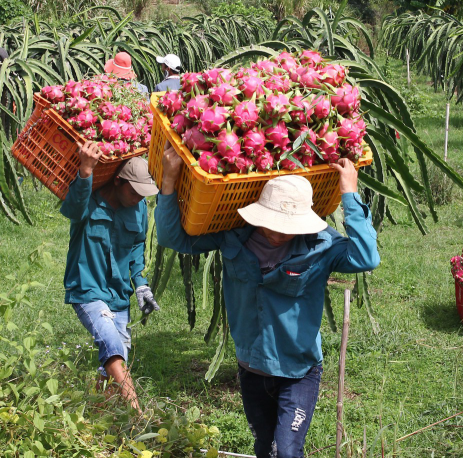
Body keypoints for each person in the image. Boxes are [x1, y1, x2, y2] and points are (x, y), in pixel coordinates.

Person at [155, 143, 379, 458]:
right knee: (264, 448)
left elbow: (366, 257)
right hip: (252, 366)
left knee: (286, 452)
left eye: (286, 227)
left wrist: (350, 194)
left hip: (299, 370)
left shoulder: (322, 245)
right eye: (271, 222)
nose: (276, 233)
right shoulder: (233, 234)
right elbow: (172, 238)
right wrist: (168, 181)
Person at [62, 147, 161, 411]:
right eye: (134, 191)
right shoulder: (89, 199)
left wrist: (140, 282)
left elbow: (138, 245)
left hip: (118, 296)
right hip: (87, 288)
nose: (139, 197)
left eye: (143, 193)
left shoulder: (139, 208)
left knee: (112, 364)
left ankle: (97, 416)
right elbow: (71, 209)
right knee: (113, 347)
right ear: (118, 180)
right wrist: (85, 170)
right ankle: (140, 415)